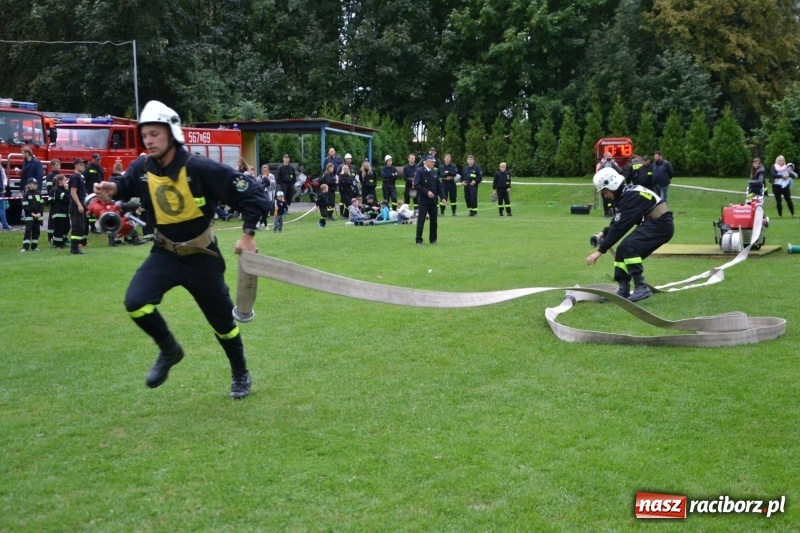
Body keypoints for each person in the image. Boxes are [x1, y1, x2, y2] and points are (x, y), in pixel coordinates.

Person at [93, 100, 270, 399]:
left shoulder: (200, 168)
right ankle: (169, 350)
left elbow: (253, 194)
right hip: (164, 254)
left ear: (172, 132)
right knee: (136, 302)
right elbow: (128, 184)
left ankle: (240, 373)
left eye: (155, 133)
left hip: (203, 257)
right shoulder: (141, 167)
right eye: (145, 134)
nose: (148, 140)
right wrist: (114, 188)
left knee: (224, 325)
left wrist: (248, 235)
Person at [586, 167, 674, 302]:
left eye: (605, 192)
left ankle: (641, 286)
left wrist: (600, 251)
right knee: (622, 250)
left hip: (660, 224)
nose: (605, 196)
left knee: (629, 246)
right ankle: (623, 288)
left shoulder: (630, 196)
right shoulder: (626, 194)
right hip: (654, 222)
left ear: (612, 185)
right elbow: (617, 220)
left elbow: (620, 227)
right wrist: (604, 232)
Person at [413, 155, 445, 245]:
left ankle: (433, 239)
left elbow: (439, 185)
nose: (433, 163)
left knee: (434, 221)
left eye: (434, 162)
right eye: (432, 161)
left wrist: (443, 197)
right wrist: (427, 192)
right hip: (423, 201)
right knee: (421, 220)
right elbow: (416, 185)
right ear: (426, 161)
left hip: (433, 201)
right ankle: (419, 240)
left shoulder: (434, 172)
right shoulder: (419, 171)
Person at [68, 158, 88, 254]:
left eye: (83, 165)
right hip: (76, 204)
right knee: (77, 225)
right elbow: (73, 192)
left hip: (81, 202)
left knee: (81, 226)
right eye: (81, 165)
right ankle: (74, 248)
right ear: (75, 165)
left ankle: (76, 247)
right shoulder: (75, 177)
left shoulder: (80, 177)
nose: (83, 166)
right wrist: (79, 205)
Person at [595, 151, 623, 217]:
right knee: (605, 199)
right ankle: (606, 213)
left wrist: (613, 163)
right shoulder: (600, 164)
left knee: (613, 199)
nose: (610, 158)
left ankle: (614, 212)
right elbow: (598, 171)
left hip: (612, 184)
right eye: (608, 157)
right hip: (603, 184)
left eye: (611, 157)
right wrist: (604, 163)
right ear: (604, 157)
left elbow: (619, 171)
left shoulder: (613, 163)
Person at [20, 178, 43, 252]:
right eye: (34, 184)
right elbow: (25, 205)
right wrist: (32, 213)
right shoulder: (26, 194)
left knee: (36, 231)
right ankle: (25, 247)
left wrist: (39, 213)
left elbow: (41, 204)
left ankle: (34, 246)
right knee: (28, 231)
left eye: (36, 184)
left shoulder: (38, 193)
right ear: (29, 185)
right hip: (29, 216)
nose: (35, 185)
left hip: (38, 216)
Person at [84, 153, 105, 233]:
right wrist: (85, 191)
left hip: (98, 192)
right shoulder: (88, 168)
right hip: (90, 192)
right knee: (92, 210)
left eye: (99, 159)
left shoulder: (100, 168)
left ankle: (100, 226)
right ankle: (92, 227)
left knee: (99, 209)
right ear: (92, 159)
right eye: (97, 160)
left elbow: (102, 179)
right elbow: (84, 179)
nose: (99, 161)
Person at [49, 174, 70, 247]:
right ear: (60, 181)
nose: (66, 181)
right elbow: (65, 197)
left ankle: (62, 241)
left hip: (66, 212)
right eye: (65, 180)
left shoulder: (64, 189)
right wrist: (67, 190)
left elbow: (69, 198)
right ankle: (57, 244)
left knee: (67, 227)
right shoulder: (57, 189)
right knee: (59, 228)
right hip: (59, 212)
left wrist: (67, 190)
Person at [44, 158, 62, 243]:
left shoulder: (59, 174)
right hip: (53, 199)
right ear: (52, 166)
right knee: (51, 218)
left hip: (58, 200)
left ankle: (56, 235)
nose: (59, 167)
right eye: (57, 165)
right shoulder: (50, 175)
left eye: (59, 165)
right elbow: (49, 188)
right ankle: (50, 236)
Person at [256, 164, 276, 229]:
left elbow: (273, 186)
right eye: (263, 171)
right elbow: (259, 187)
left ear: (268, 171)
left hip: (269, 195)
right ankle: (265, 225)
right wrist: (265, 183)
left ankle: (260, 223)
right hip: (262, 196)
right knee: (263, 211)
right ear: (261, 171)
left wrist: (267, 180)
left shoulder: (271, 176)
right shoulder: (259, 178)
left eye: (266, 171)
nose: (265, 172)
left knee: (267, 211)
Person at [0, 163, 11, 230]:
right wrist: (3, 188)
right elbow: (3, 179)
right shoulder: (0, 168)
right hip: (0, 191)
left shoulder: (1, 168)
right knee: (2, 207)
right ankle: (4, 225)